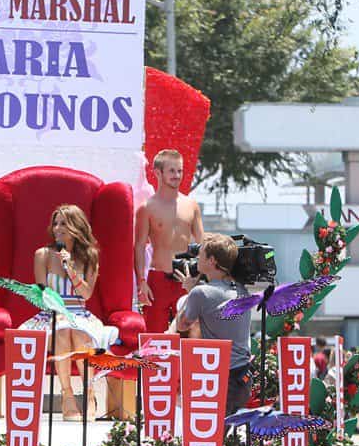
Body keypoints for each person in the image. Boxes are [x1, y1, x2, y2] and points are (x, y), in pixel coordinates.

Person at [21, 205, 117, 422]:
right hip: (52, 313)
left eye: (63, 223)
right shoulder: (43, 255)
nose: (57, 228)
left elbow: (86, 294)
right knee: (63, 332)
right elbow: (41, 295)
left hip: (79, 314)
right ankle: (67, 396)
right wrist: (58, 311)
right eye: (55, 223)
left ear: (76, 226)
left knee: (79, 334)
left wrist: (70, 268)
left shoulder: (90, 256)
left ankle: (90, 395)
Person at [174, 233, 252, 415]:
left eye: (200, 255)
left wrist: (189, 291)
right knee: (218, 439)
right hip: (243, 378)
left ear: (211, 261)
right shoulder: (242, 290)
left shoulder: (201, 293)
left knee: (208, 441)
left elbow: (181, 325)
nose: (196, 259)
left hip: (222, 378)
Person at [134, 149, 204, 332]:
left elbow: (203, 244)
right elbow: (140, 246)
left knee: (189, 335)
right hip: (158, 278)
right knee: (154, 338)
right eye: (172, 171)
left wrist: (199, 278)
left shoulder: (191, 205)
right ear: (158, 172)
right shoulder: (146, 208)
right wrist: (142, 281)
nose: (177, 175)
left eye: (180, 171)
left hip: (185, 278)